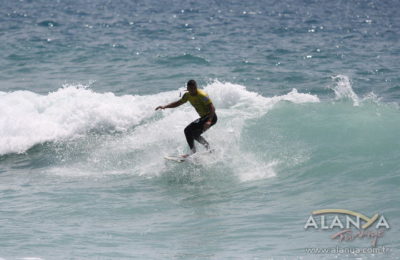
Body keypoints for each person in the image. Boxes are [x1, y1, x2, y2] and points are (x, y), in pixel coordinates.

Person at [155, 80, 217, 157]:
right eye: (190, 89)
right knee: (194, 134)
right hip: (204, 118)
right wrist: (165, 106)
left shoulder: (202, 95)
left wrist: (209, 121)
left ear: (196, 87)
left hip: (211, 117)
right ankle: (209, 149)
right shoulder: (187, 95)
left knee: (187, 130)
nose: (192, 90)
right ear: (187, 88)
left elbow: (212, 108)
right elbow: (178, 103)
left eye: (194, 88)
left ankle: (193, 152)